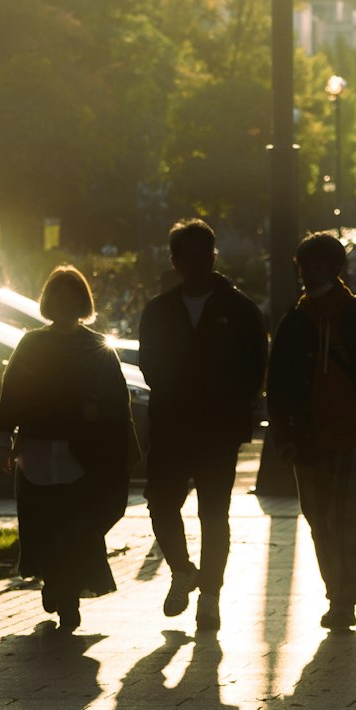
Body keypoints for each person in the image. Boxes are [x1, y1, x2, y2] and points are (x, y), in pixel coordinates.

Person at [136, 218, 267, 632]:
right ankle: (182, 569)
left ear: (213, 257)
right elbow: (150, 364)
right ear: (174, 261)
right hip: (172, 423)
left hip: (218, 428)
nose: (195, 263)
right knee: (160, 502)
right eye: (185, 256)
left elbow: (254, 367)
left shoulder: (239, 308)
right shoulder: (159, 311)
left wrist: (233, 404)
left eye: (202, 255)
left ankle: (210, 595)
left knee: (214, 513)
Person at [266, 232, 356, 630]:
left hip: (352, 434)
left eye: (316, 266)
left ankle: (343, 598)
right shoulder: (296, 319)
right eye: (303, 267)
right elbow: (279, 385)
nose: (308, 274)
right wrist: (284, 437)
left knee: (346, 517)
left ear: (335, 268)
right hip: (308, 439)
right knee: (317, 517)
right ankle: (335, 590)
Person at [0, 265, 134, 633]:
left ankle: (63, 588)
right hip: (39, 449)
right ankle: (56, 582)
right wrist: (3, 437)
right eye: (57, 295)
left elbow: (117, 403)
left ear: (81, 301)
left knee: (74, 522)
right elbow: (13, 393)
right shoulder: (34, 344)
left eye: (70, 295)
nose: (64, 302)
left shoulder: (95, 346)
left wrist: (124, 445)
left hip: (82, 454)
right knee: (45, 520)